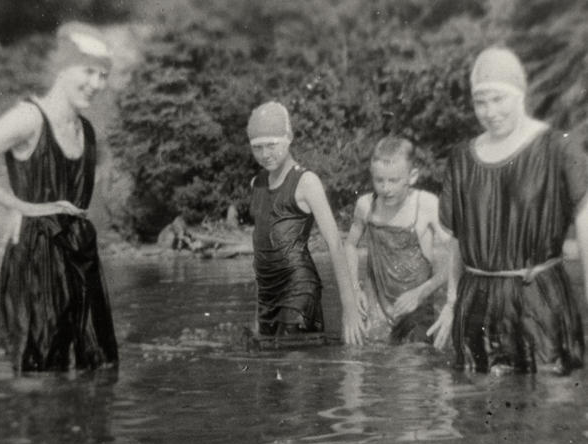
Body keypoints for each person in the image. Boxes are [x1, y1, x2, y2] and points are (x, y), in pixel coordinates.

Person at [0, 22, 119, 372]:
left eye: (102, 76)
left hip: (80, 256)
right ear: (62, 67)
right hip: (37, 259)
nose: (96, 85)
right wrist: (19, 205)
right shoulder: (29, 118)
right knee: (42, 374)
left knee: (99, 368)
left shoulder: (86, 129)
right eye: (88, 72)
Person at [426, 46, 588, 375]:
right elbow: (458, 241)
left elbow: (586, 235)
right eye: (480, 102)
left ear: (520, 94)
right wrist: (451, 302)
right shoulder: (461, 158)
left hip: (539, 300)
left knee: (547, 409)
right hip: (477, 304)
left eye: (499, 98)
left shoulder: (558, 147)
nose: (490, 111)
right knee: (476, 410)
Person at [247, 101, 364, 345]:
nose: (265, 154)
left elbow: (335, 245)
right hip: (268, 295)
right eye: (258, 147)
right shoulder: (256, 184)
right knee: (271, 371)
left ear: (288, 138)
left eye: (272, 145)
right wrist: (258, 310)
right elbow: (260, 250)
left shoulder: (306, 181)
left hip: (300, 289)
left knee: (296, 369)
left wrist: (350, 309)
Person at [345, 137, 449, 344]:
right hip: (377, 309)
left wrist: (422, 291)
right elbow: (349, 245)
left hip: (417, 307)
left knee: (413, 366)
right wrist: (355, 289)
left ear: (412, 176)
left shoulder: (426, 205)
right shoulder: (366, 205)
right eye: (379, 180)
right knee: (375, 366)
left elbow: (457, 256)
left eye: (393, 181)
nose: (385, 188)